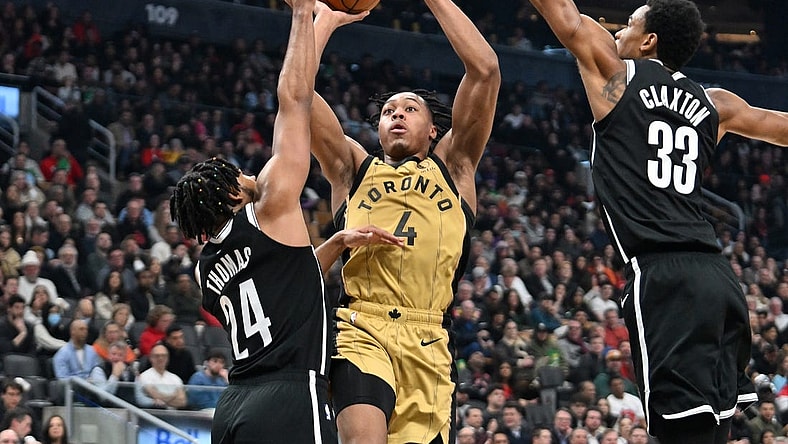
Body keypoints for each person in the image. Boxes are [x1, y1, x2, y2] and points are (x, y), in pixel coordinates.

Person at [526, 0, 788, 441]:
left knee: (675, 430)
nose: (617, 33)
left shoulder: (617, 74)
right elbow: (779, 126)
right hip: (718, 279)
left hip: (665, 277)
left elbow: (564, 15)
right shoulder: (714, 103)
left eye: (627, 25)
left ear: (648, 41)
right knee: (712, 426)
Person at [169, 0, 401, 442]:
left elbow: (282, 284)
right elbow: (294, 99)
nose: (248, 172)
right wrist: (302, 13)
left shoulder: (207, 269)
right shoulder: (270, 207)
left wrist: (335, 244)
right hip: (290, 396)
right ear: (234, 194)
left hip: (234, 406)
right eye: (238, 172)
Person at [307, 0, 501, 442]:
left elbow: (486, 69)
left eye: (410, 108)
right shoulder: (352, 167)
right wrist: (322, 22)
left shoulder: (455, 166)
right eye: (388, 110)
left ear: (434, 130)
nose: (396, 113)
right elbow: (297, 96)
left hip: (429, 338)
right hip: (361, 327)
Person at [134, 343, 186, 410]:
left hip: (175, 415)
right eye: (157, 356)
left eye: (163, 355)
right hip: (155, 415)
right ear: (151, 358)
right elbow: (156, 396)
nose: (160, 358)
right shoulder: (143, 376)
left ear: (168, 358)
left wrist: (163, 399)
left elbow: (182, 402)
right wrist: (174, 395)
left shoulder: (175, 378)